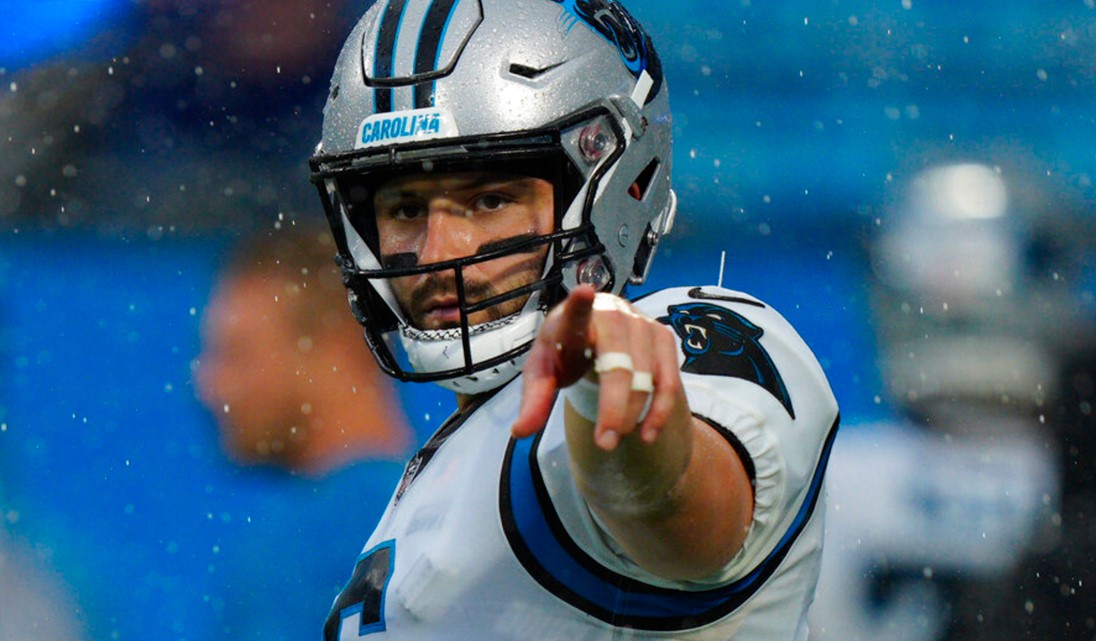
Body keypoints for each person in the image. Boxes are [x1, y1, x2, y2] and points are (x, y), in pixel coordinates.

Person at [309, 1, 839, 639]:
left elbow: (684, 513)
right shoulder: (459, 454)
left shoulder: (670, 342)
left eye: (489, 199)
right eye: (404, 208)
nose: (436, 252)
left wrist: (627, 421)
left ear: (613, 183)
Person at [193, 225, 414, 640]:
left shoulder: (292, 550)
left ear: (337, 350)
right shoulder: (449, 509)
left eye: (236, 353)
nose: (208, 385)